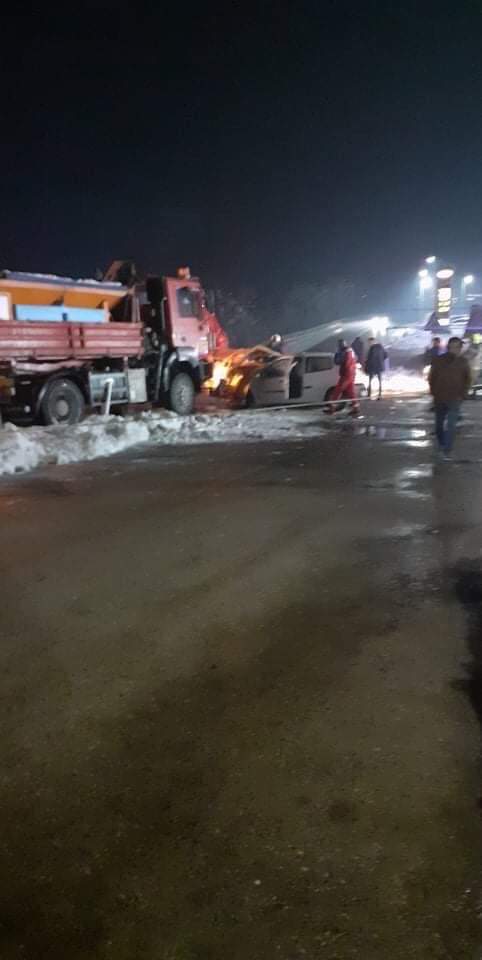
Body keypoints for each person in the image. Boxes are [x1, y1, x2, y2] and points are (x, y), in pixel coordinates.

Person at [429, 337, 471, 460]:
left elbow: (467, 379)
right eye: (455, 347)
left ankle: (446, 450)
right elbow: (432, 377)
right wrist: (434, 392)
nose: (457, 349)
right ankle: (443, 445)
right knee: (439, 425)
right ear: (449, 348)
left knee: (451, 425)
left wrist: (463, 394)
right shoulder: (438, 360)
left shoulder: (463, 362)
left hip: (455, 398)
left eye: (459, 347)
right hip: (440, 397)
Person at [331, 341, 359, 415]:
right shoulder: (351, 351)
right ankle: (355, 408)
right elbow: (356, 358)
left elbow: (337, 361)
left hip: (346, 374)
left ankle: (332, 408)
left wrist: (336, 353)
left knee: (337, 390)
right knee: (351, 392)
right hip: (352, 373)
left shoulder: (344, 352)